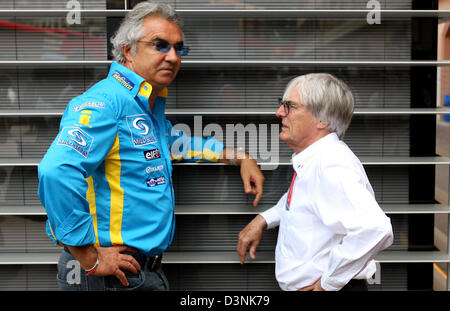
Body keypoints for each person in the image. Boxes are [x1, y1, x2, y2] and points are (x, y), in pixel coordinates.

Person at [38, 1, 264, 291]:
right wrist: (88, 258)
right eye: (160, 45)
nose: (172, 57)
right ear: (129, 51)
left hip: (139, 272)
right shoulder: (107, 102)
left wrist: (240, 156)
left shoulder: (143, 104)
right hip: (109, 276)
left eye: (178, 48)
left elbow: (175, 144)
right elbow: (56, 171)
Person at [237, 73, 393, 291]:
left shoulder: (331, 164)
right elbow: (303, 200)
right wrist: (263, 219)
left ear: (323, 119)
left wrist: (326, 284)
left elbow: (375, 229)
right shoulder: (316, 159)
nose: (279, 112)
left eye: (290, 106)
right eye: (282, 105)